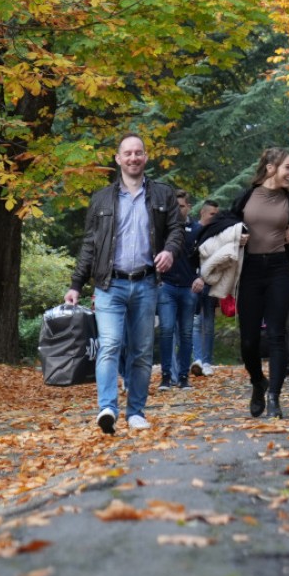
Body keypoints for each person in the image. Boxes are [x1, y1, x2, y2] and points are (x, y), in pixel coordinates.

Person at [66, 134, 186, 434]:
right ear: (118, 159)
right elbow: (90, 245)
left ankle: (135, 412)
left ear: (146, 158)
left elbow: (176, 230)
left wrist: (170, 251)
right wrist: (76, 284)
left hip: (146, 284)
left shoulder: (162, 195)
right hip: (110, 284)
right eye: (127, 153)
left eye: (138, 153)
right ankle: (107, 408)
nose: (133, 158)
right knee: (109, 345)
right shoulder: (101, 199)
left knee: (142, 351)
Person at [203, 148, 289, 419]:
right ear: (270, 168)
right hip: (250, 273)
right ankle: (258, 382)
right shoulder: (247, 197)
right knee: (248, 342)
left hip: (279, 270)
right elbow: (225, 222)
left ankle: (274, 397)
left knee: (277, 335)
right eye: (287, 168)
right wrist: (236, 235)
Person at [157, 192, 200, 389]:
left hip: (189, 287)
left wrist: (203, 278)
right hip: (166, 286)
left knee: (187, 333)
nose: (178, 210)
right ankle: (166, 377)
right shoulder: (162, 230)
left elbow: (207, 256)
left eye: (182, 206)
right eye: (175, 206)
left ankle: (184, 377)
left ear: (188, 207)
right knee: (166, 330)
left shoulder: (197, 230)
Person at [189, 200, 220, 376]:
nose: (214, 218)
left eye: (216, 215)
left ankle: (207, 361)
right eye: (212, 214)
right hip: (191, 283)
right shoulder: (192, 230)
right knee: (194, 322)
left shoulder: (216, 234)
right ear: (203, 212)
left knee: (208, 322)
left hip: (209, 282)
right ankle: (198, 359)